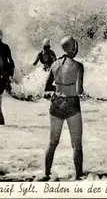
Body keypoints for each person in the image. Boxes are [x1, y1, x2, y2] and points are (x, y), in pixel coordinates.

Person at [38, 36, 85, 181]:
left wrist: (60, 86)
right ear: (73, 48)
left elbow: (46, 87)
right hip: (71, 103)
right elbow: (80, 90)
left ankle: (46, 174)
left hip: (56, 103)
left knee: (53, 142)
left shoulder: (54, 65)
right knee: (76, 144)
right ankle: (78, 176)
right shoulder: (78, 66)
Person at [0, 29, 15, 93]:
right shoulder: (6, 47)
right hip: (6, 68)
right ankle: (10, 83)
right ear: (2, 37)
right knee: (8, 86)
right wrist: (11, 73)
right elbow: (11, 60)